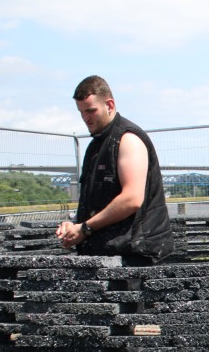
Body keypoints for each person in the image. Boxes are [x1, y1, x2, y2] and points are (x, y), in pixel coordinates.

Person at [57, 75, 173, 264]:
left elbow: (131, 199)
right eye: (81, 112)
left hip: (135, 256)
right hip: (109, 254)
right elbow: (98, 201)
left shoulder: (128, 140)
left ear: (109, 105)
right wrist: (75, 224)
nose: (86, 118)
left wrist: (85, 228)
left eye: (91, 111)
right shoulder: (96, 146)